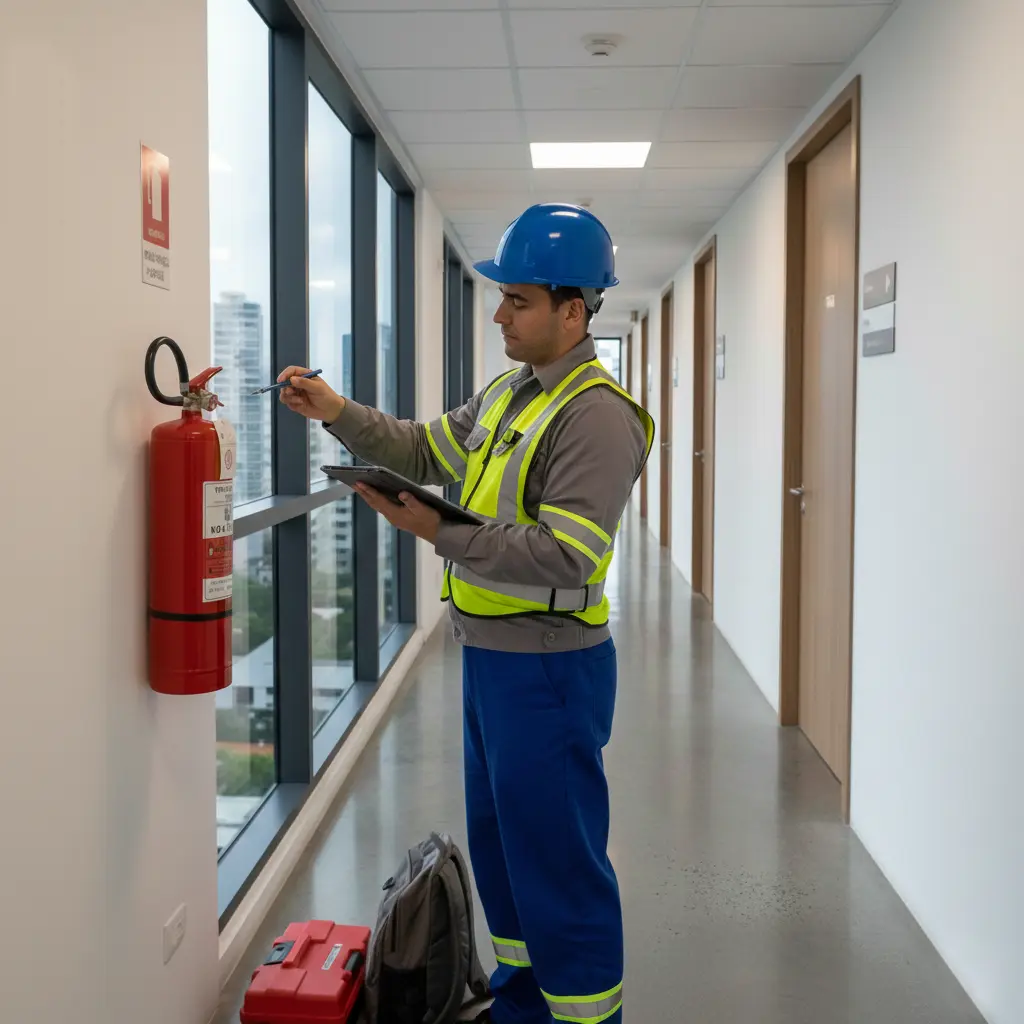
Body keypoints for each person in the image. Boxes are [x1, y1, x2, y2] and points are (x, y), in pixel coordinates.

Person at [278, 203, 654, 1024]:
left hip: (548, 667)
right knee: (505, 853)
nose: (500, 315)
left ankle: (588, 1018)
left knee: (557, 862)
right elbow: (423, 449)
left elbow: (568, 554)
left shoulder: (596, 415)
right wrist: (338, 412)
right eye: (502, 297)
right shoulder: (511, 394)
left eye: (517, 300)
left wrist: (440, 530)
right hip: (491, 659)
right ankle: (523, 1004)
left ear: (575, 309)